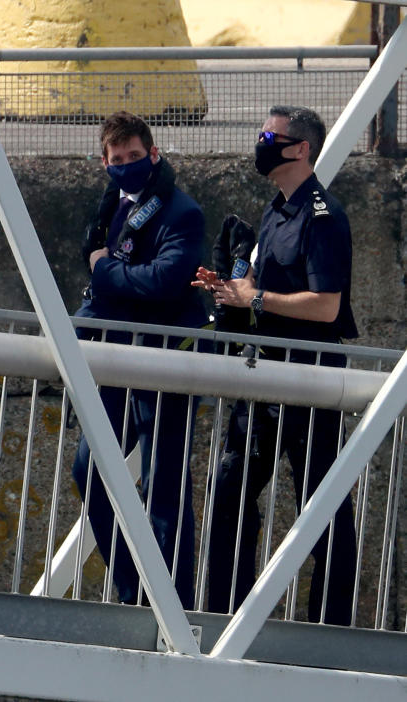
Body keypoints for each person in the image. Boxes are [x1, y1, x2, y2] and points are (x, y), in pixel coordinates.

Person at [195, 105, 357, 625]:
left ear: (301, 148)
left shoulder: (323, 217)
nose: (260, 141)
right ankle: (224, 615)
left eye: (271, 135)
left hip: (309, 381)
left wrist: (257, 299)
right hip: (263, 377)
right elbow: (254, 288)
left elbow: (327, 305)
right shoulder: (274, 210)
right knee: (228, 492)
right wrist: (229, 290)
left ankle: (330, 630)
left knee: (322, 507)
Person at [72, 111, 206, 609]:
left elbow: (165, 283)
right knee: (88, 469)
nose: (126, 165)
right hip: (114, 359)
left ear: (153, 154)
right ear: (104, 163)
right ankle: (136, 590)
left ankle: (173, 602)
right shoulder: (114, 202)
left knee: (164, 484)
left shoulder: (181, 212)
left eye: (134, 156)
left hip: (167, 361)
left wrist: (106, 269)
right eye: (116, 159)